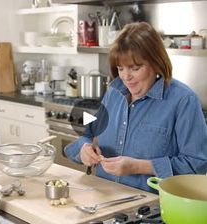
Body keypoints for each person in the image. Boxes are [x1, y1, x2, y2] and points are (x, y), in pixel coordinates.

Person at [64, 22, 207, 193]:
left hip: (150, 211)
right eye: (120, 68)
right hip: (101, 200)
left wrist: (140, 167)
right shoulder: (114, 92)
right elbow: (86, 136)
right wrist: (83, 149)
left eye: (135, 68)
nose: (125, 76)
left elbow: (197, 164)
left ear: (156, 63)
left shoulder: (183, 100)